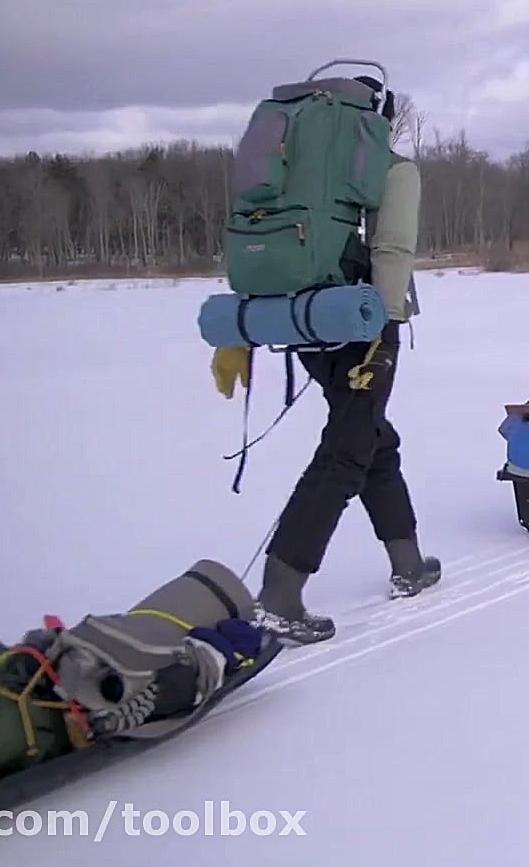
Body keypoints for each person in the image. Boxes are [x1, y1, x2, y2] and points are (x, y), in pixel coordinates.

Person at [211, 76, 437, 645]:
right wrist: (382, 331)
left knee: (372, 438)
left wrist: (242, 330)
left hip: (300, 320)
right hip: (360, 320)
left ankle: (408, 563)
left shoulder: (290, 168)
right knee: (347, 450)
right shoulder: (391, 169)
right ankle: (280, 593)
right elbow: (392, 248)